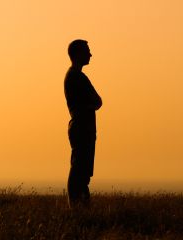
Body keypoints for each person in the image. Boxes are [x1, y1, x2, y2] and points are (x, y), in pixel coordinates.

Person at [64, 40, 102, 208]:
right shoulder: (75, 76)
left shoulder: (77, 76)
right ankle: (76, 206)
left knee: (83, 170)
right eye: (87, 51)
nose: (90, 54)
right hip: (81, 128)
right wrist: (90, 105)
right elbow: (96, 101)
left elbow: (97, 101)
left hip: (84, 128)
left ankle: (81, 205)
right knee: (79, 168)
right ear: (78, 53)